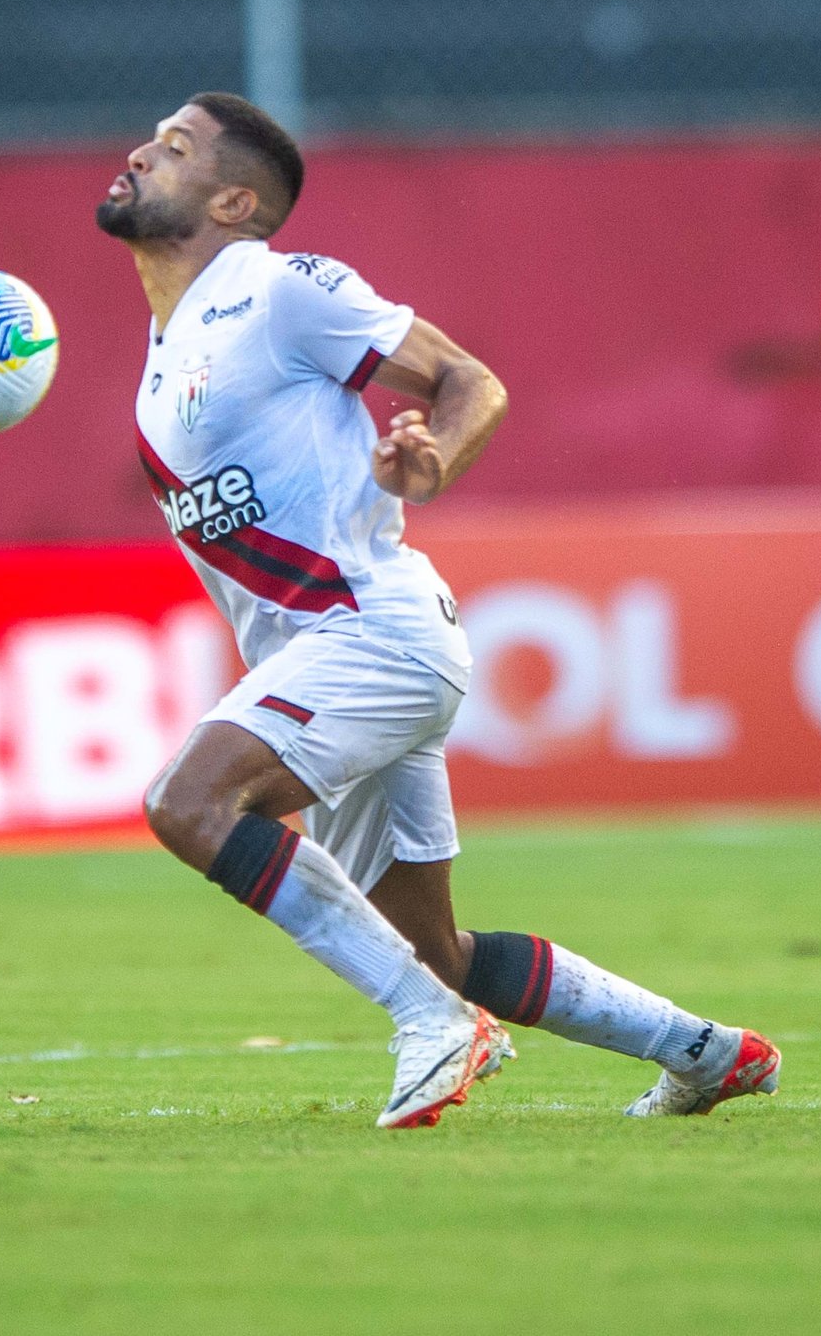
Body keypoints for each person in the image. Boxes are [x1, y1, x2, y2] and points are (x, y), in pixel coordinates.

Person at [99, 92, 779, 1128]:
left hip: (370, 634)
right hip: (340, 651)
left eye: (175, 148)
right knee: (435, 946)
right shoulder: (164, 359)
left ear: (234, 201)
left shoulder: (277, 289)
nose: (142, 151)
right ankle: (705, 1051)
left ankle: (432, 1022)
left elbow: (469, 380)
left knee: (189, 804)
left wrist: (430, 463)